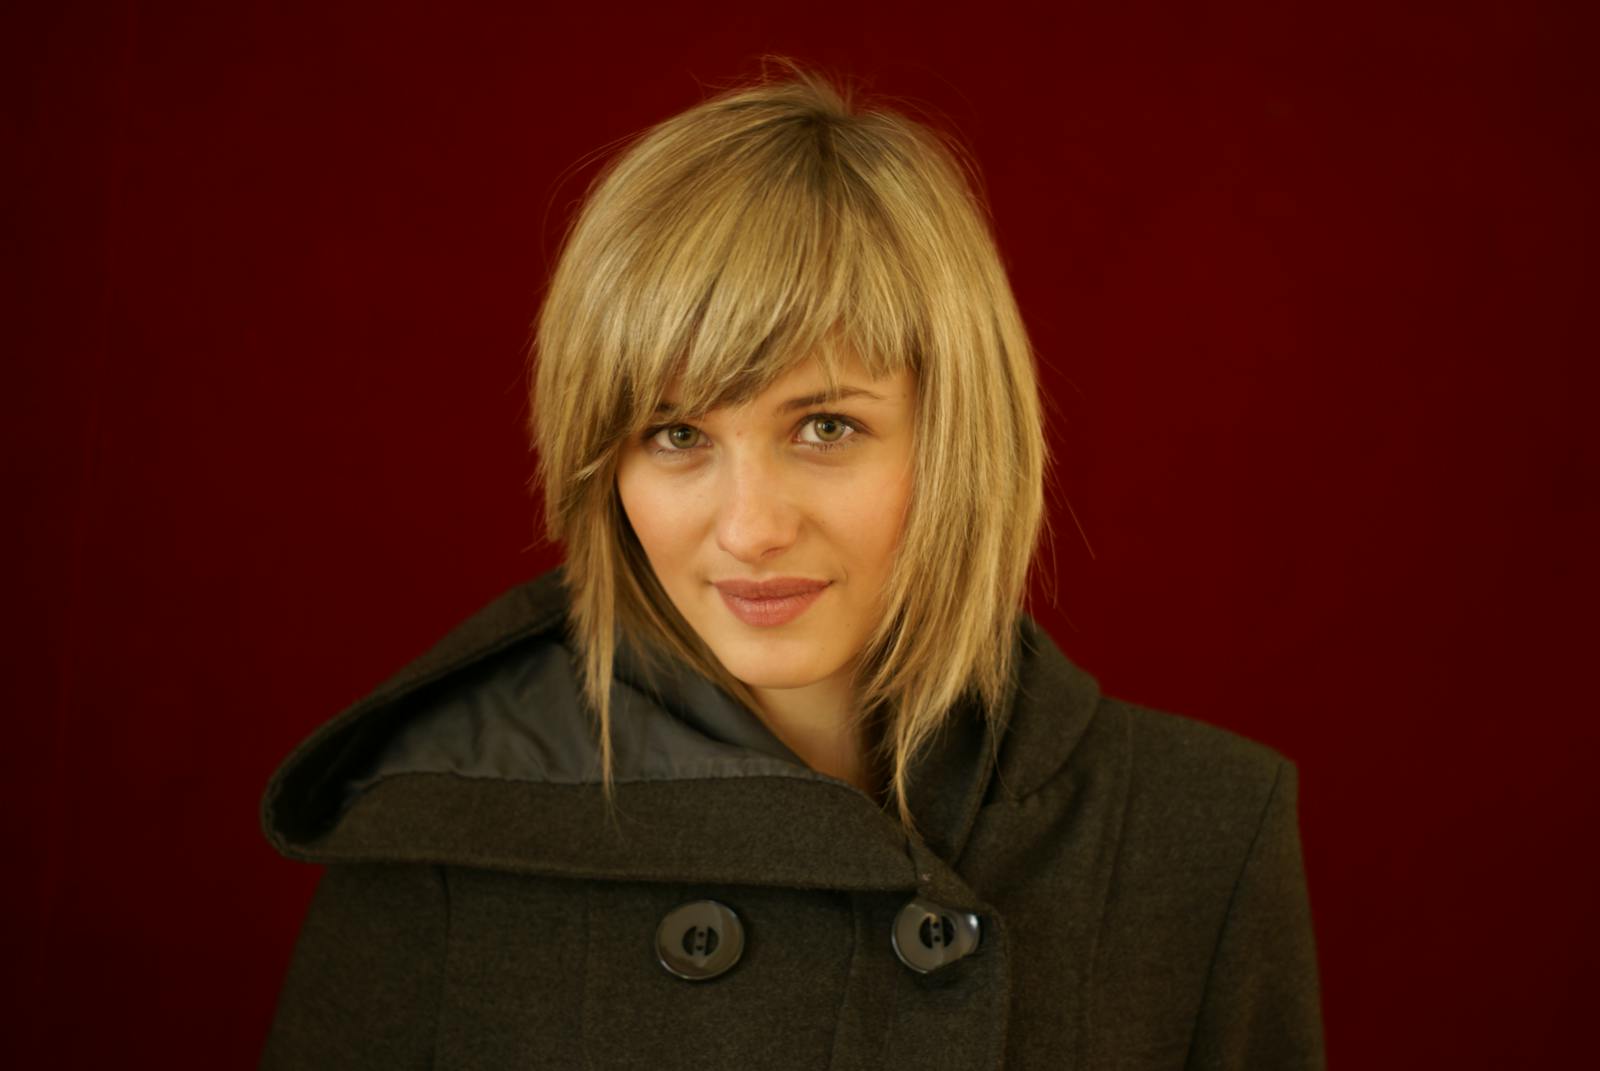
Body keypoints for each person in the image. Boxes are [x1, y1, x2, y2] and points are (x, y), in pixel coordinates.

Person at [258, 58, 1325, 1069]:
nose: (751, 528)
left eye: (823, 426)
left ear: (955, 437)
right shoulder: (444, 824)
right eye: (676, 435)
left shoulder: (1201, 836)